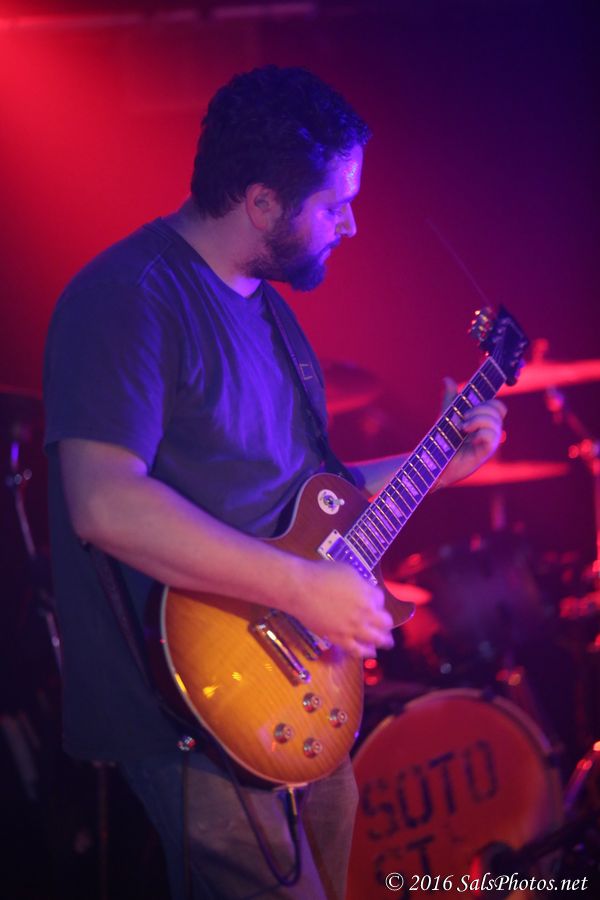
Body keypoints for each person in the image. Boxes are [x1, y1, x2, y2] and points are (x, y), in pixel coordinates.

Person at [43, 65, 506, 900]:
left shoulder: (267, 310)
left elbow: (312, 497)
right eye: (335, 204)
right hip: (194, 708)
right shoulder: (128, 299)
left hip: (293, 685)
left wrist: (438, 465)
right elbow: (103, 502)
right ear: (261, 203)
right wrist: (300, 586)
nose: (352, 224)